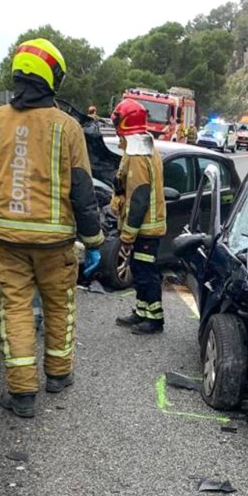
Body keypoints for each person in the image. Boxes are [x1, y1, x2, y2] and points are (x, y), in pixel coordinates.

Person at [0, 38, 104, 418]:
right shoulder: (67, 127)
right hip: (55, 243)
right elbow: (82, 189)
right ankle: (59, 375)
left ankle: (22, 394)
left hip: (6, 241)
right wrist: (93, 240)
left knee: (15, 311)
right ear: (52, 77)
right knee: (60, 305)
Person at [110, 99, 167, 334]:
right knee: (139, 269)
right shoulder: (140, 148)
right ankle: (142, 311)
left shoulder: (138, 155)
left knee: (145, 273)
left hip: (146, 228)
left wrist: (128, 234)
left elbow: (140, 196)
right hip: (145, 227)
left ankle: (154, 319)